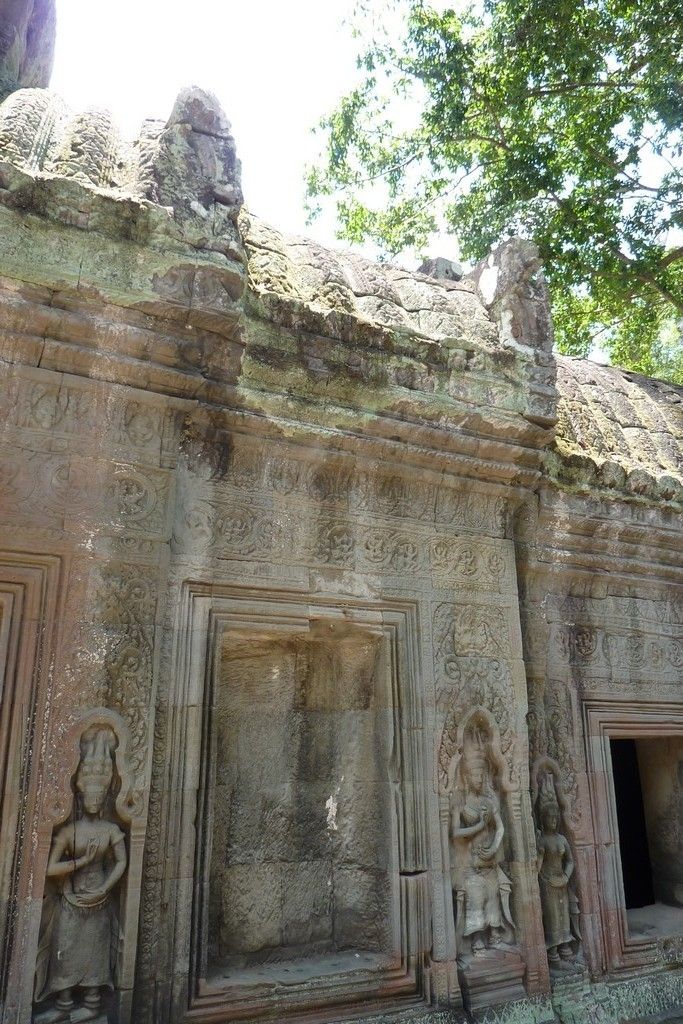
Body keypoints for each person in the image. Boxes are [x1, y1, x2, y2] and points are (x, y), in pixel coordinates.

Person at [34, 727, 127, 1023]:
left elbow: (122, 862)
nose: (95, 800)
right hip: (71, 901)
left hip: (99, 899)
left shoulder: (110, 830)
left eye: (100, 795)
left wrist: (105, 888)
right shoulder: (69, 831)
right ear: (81, 794)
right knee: (64, 949)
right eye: (91, 795)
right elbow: (50, 868)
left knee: (96, 954)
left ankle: (92, 1002)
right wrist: (81, 861)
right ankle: (63, 1004)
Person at [450, 726, 515, 956]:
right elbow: (455, 833)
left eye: (481, 775)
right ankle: (477, 939)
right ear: (466, 776)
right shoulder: (461, 802)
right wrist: (479, 826)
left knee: (493, 899)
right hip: (471, 864)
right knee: (476, 899)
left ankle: (494, 935)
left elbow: (501, 827)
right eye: (474, 775)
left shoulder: (490, 800)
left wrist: (495, 846)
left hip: (490, 861)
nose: (478, 779)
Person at [536, 799, 575, 963]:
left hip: (561, 882)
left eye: (555, 817)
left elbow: (570, 861)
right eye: (550, 817)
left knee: (564, 915)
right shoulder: (542, 840)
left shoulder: (562, 839)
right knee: (552, 917)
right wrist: (540, 854)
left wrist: (565, 877)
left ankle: (565, 947)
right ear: (543, 819)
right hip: (548, 883)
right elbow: (537, 868)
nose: (553, 820)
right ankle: (553, 952)